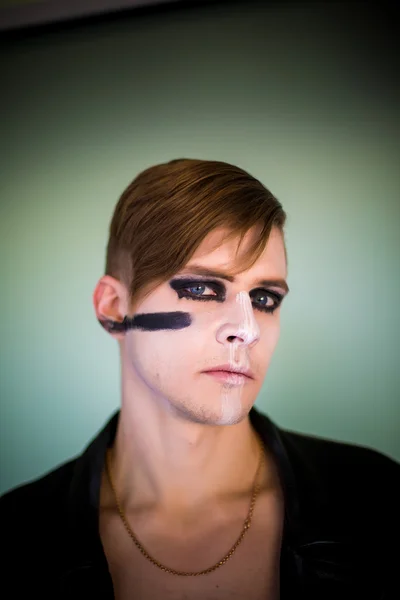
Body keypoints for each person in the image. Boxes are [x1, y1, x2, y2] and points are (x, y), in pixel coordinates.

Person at [1, 158, 398, 600]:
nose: (246, 329)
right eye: (202, 289)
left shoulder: (377, 501)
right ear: (113, 307)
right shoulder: (17, 539)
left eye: (265, 298)